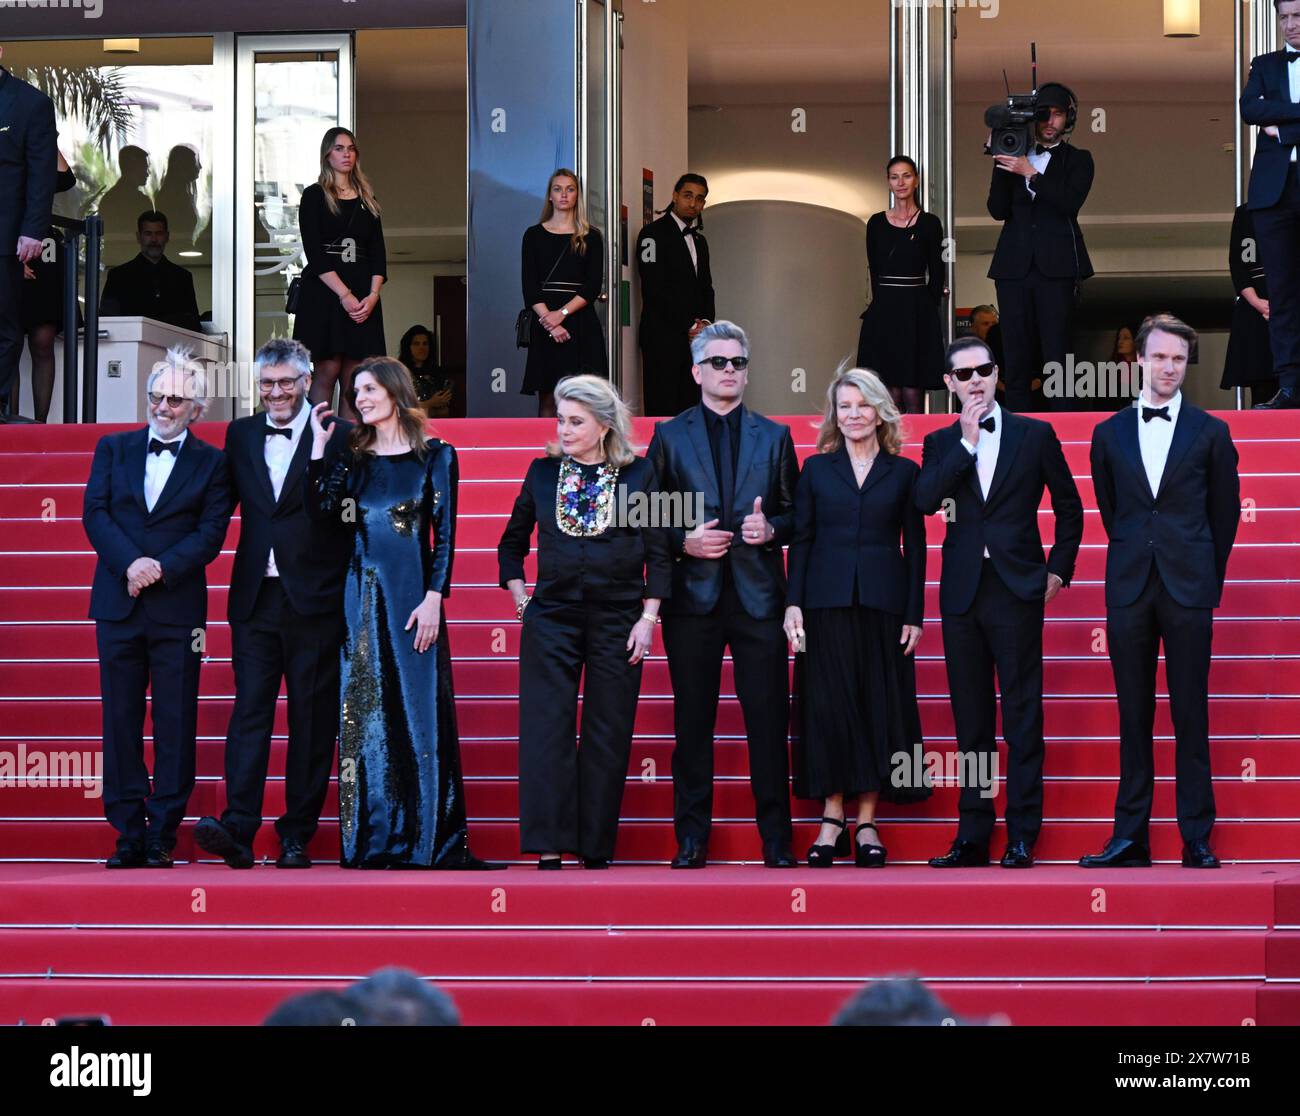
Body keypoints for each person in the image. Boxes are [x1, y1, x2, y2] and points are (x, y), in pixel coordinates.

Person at [304, 356, 494, 870]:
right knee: (366, 717)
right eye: (355, 390)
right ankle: (375, 841)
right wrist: (322, 454)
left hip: (415, 598)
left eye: (368, 389)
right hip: (360, 597)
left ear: (394, 391)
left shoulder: (437, 456)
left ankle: (430, 840)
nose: (360, 397)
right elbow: (325, 515)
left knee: (421, 713)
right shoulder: (353, 457)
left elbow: (446, 535)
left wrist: (436, 597)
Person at [915, 335, 1083, 869]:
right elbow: (923, 501)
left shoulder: (1036, 434)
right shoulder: (942, 443)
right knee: (971, 720)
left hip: (1016, 589)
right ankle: (973, 834)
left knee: (1022, 713)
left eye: (983, 369)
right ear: (949, 384)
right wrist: (965, 443)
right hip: (962, 592)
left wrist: (1057, 570)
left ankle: (1022, 833)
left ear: (996, 371)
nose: (975, 381)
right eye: (963, 375)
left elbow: (1070, 508)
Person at [1081, 314, 1241, 869]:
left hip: (1188, 586)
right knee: (1133, 714)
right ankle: (1131, 837)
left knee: (1191, 713)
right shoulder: (1108, 433)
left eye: (1178, 358)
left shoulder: (1212, 432)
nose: (1169, 367)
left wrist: (1203, 577)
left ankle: (1196, 836)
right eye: (1160, 357)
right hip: (1129, 587)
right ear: (1140, 360)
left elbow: (1224, 517)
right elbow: (1112, 510)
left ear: (1184, 363)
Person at [498, 375, 671, 868]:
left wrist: (648, 617)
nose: (565, 429)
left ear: (603, 426)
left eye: (576, 421)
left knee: (608, 729)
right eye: (561, 420)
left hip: (619, 618)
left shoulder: (640, 475)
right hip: (551, 617)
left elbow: (659, 552)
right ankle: (549, 845)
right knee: (545, 728)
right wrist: (520, 598)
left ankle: (594, 847)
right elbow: (511, 544)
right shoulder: (542, 472)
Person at [193, 338, 352, 870]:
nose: (277, 392)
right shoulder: (239, 435)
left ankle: (296, 835)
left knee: (311, 719)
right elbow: (218, 507)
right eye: (267, 384)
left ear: (308, 381)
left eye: (287, 382)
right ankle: (239, 826)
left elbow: (347, 517)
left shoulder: (341, 434)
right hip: (255, 597)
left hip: (316, 598)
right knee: (250, 715)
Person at [647, 321, 798, 868]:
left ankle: (777, 842)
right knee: (692, 725)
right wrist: (684, 541)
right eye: (718, 362)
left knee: (767, 724)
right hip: (693, 601)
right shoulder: (669, 435)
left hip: (761, 600)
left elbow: (797, 512)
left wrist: (772, 530)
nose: (729, 370)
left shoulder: (776, 436)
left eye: (737, 362)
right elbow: (646, 514)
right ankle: (691, 840)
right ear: (696, 371)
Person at [81, 347, 233, 868]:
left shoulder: (214, 463)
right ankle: (128, 831)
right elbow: (95, 514)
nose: (164, 406)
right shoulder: (113, 447)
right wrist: (131, 565)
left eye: (176, 398)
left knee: (175, 720)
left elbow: (211, 533)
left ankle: (162, 831)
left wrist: (160, 568)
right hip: (117, 604)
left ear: (197, 408)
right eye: (157, 396)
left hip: (177, 610)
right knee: (119, 721)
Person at [784, 368, 929, 868]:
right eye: (844, 406)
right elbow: (801, 539)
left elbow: (917, 546)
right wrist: (793, 603)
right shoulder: (816, 471)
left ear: (880, 410)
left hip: (885, 605)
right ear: (834, 414)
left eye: (863, 405)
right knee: (828, 707)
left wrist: (915, 612)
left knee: (877, 707)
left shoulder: (905, 472)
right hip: (823, 604)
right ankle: (832, 815)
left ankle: (867, 820)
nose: (853, 415)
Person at [987, 81, 1094, 413]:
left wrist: (1030, 173)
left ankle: (1064, 427)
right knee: (1015, 354)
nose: (1050, 121)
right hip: (1014, 267)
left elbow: (1069, 203)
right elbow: (996, 210)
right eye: (1044, 114)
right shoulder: (1014, 153)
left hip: (1057, 267)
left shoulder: (1079, 159)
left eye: (1058, 114)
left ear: (1068, 119)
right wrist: (1003, 162)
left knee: (1058, 355)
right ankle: (1017, 430)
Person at [293, 127, 387, 421]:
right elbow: (315, 253)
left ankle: (349, 452)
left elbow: (378, 253)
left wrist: (372, 295)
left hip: (362, 293)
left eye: (351, 148)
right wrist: (344, 295)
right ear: (327, 155)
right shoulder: (314, 195)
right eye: (339, 148)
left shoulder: (367, 199)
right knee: (327, 369)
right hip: (325, 291)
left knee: (355, 377)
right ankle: (314, 447)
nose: (346, 154)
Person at [1242, 0, 1300, 409]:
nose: (1290, 25)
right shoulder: (1263, 64)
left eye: (1298, 16)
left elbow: (1268, 115)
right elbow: (1250, 109)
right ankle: (1291, 386)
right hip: (1273, 195)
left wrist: (1284, 128)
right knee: (1281, 292)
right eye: (1283, 17)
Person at [855, 156, 946, 414]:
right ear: (888, 183)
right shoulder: (875, 223)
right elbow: (874, 270)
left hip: (916, 309)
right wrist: (880, 304)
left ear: (916, 180)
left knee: (913, 388)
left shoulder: (930, 223)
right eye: (894, 177)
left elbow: (937, 272)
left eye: (906, 176)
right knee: (889, 389)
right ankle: (892, 447)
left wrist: (928, 308)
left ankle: (916, 448)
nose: (901, 182)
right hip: (885, 309)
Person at [0, 46, 56, 425]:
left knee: (4, 329)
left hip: (6, 236)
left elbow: (42, 173)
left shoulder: (30, 102)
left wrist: (32, 230)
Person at [520, 169, 606, 417]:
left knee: (585, 400)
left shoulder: (592, 236)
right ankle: (549, 455)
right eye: (557, 189)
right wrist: (550, 320)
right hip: (544, 321)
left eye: (570, 189)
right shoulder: (533, 235)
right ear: (549, 196)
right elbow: (529, 286)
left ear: (577, 195)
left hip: (580, 322)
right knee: (547, 398)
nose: (564, 194)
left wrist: (563, 314)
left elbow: (592, 286)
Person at [636, 173, 715, 417]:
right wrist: (689, 324)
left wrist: (705, 325)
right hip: (662, 337)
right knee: (663, 409)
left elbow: (706, 288)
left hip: (695, 343)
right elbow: (653, 289)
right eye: (688, 196)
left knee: (692, 409)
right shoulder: (651, 234)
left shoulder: (700, 241)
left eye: (700, 199)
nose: (693, 203)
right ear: (674, 196)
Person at [12, 148, 76, 423]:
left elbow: (65, 179)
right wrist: (11, 265)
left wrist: (47, 133)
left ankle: (40, 423)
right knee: (9, 342)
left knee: (43, 340)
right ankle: (8, 419)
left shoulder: (37, 159)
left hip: (43, 249)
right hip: (7, 248)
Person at [100, 210, 202, 333]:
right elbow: (108, 323)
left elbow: (193, 324)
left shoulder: (182, 278)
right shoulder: (119, 277)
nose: (154, 239)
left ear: (167, 236)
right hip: (131, 348)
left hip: (172, 348)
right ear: (139, 237)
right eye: (148, 233)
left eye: (159, 233)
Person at [1222, 205, 1278, 407]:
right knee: (1261, 379)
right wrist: (1257, 302)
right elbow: (1237, 263)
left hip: (1289, 306)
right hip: (1255, 310)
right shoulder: (1245, 214)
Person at [96, 144, 153, 267]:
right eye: (145, 168)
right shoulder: (141, 202)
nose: (148, 173)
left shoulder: (108, 199)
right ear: (133, 168)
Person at [398, 323, 462, 418]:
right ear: (408, 347)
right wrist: (430, 403)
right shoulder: (400, 372)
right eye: (416, 344)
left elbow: (445, 411)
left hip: (437, 426)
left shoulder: (435, 372)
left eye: (425, 343)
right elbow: (400, 409)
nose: (422, 348)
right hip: (410, 428)